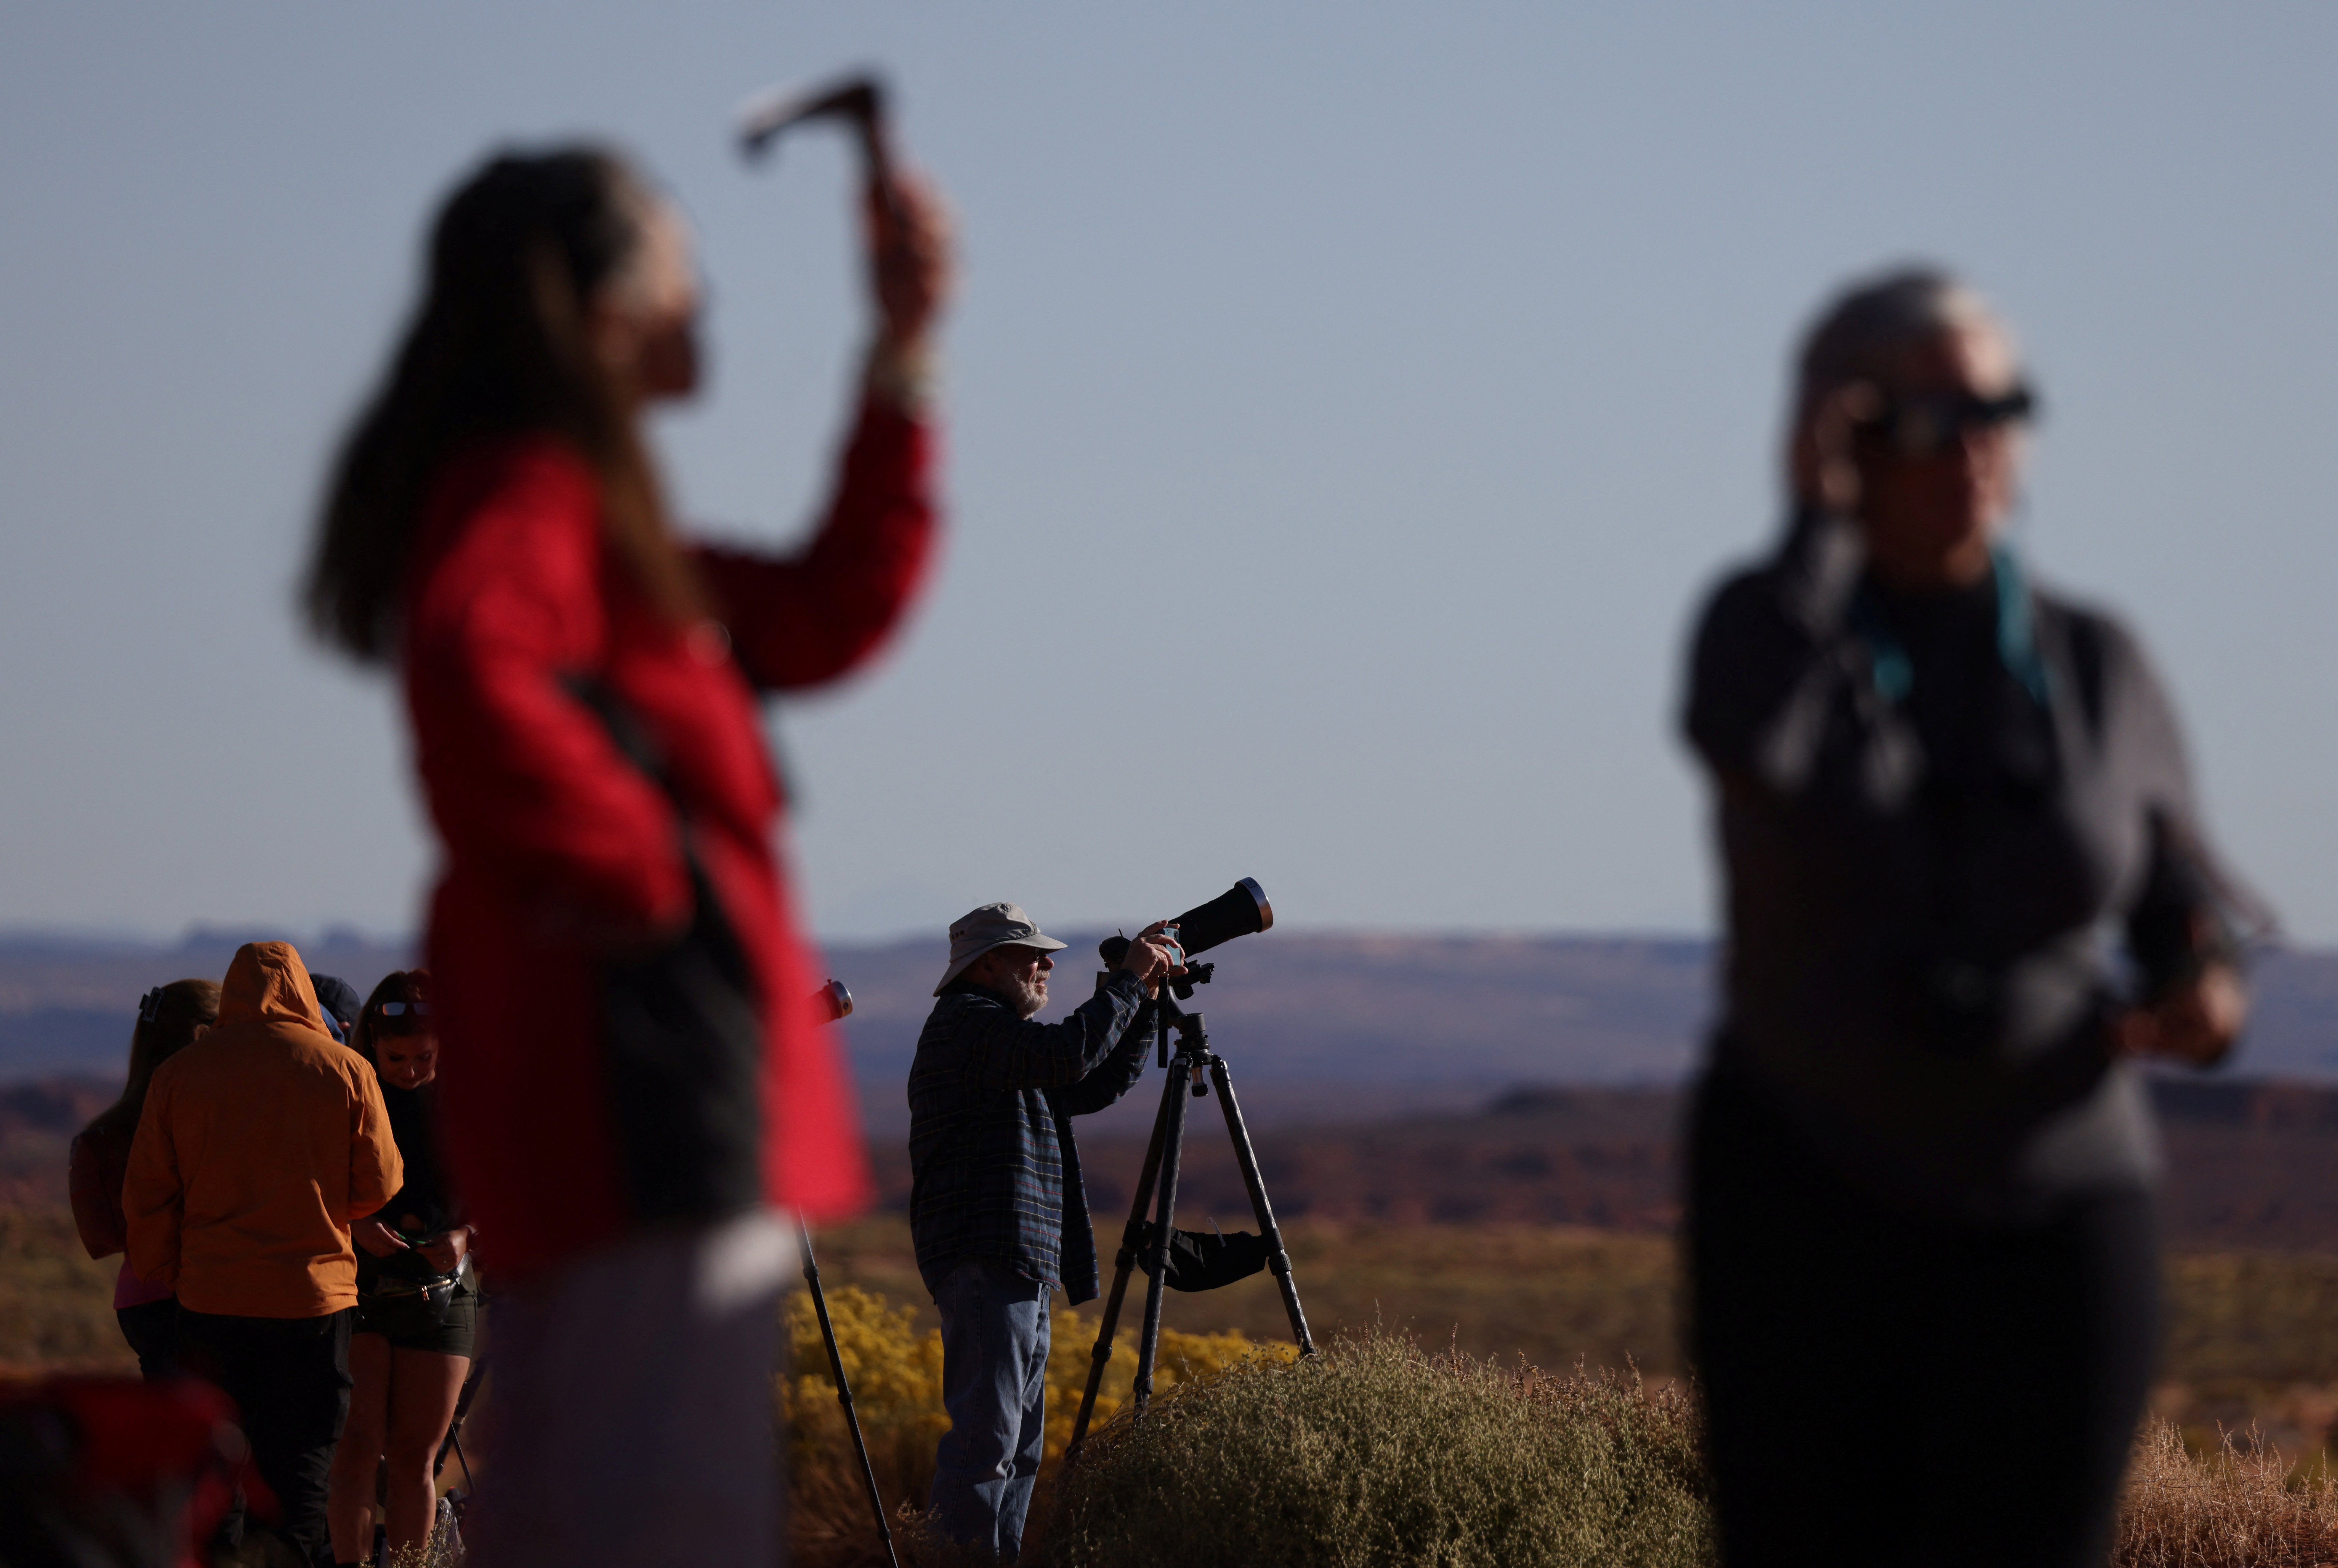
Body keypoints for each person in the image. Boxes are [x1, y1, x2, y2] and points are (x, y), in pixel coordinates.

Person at [303, 143, 950, 1566]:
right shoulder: (522, 498)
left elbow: (832, 606)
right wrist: (660, 888)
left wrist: (901, 349)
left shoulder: (597, 526)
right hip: (641, 1093)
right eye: (679, 266)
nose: (704, 298)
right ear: (598, 310)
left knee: (591, 1517)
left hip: (636, 1090)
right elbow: (474, 685)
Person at [1680, 268, 2258, 1567]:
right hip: (1804, 1193)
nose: (1976, 443)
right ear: (1844, 434)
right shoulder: (1760, 634)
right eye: (1930, 414)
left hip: (2053, 1201)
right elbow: (1755, 743)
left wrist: (2197, 992)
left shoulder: (2089, 662)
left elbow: (2180, 909)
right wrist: (1813, 528)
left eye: (2000, 407)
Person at [908, 903, 1182, 1561]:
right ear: (988, 964)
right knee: (987, 1440)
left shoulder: (1002, 1042)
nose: (1046, 966)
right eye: (1032, 956)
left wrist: (1140, 998)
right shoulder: (968, 1027)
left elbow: (1089, 1079)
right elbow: (1065, 1056)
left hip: (1018, 1259)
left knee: (1018, 1449)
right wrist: (1121, 984)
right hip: (985, 1254)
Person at [123, 940, 403, 1568]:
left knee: (217, 1463)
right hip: (312, 1302)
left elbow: (146, 1194)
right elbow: (381, 1184)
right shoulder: (344, 1069)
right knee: (302, 1466)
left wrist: (169, 1268)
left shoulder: (182, 1075)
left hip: (211, 1300)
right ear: (303, 992)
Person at [327, 969, 475, 1568]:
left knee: (416, 1454)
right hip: (358, 1286)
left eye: (426, 1058)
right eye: (398, 1058)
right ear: (371, 1045)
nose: (412, 1070)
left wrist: (465, 1238)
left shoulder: (468, 1099)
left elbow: (498, 1191)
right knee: (358, 1448)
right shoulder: (347, 1094)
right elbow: (311, 1183)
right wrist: (356, 1225)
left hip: (441, 1290)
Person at [68, 977, 221, 1378]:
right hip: (207, 1299)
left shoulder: (113, 1132)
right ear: (206, 1035)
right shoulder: (210, 1122)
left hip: (141, 1300)